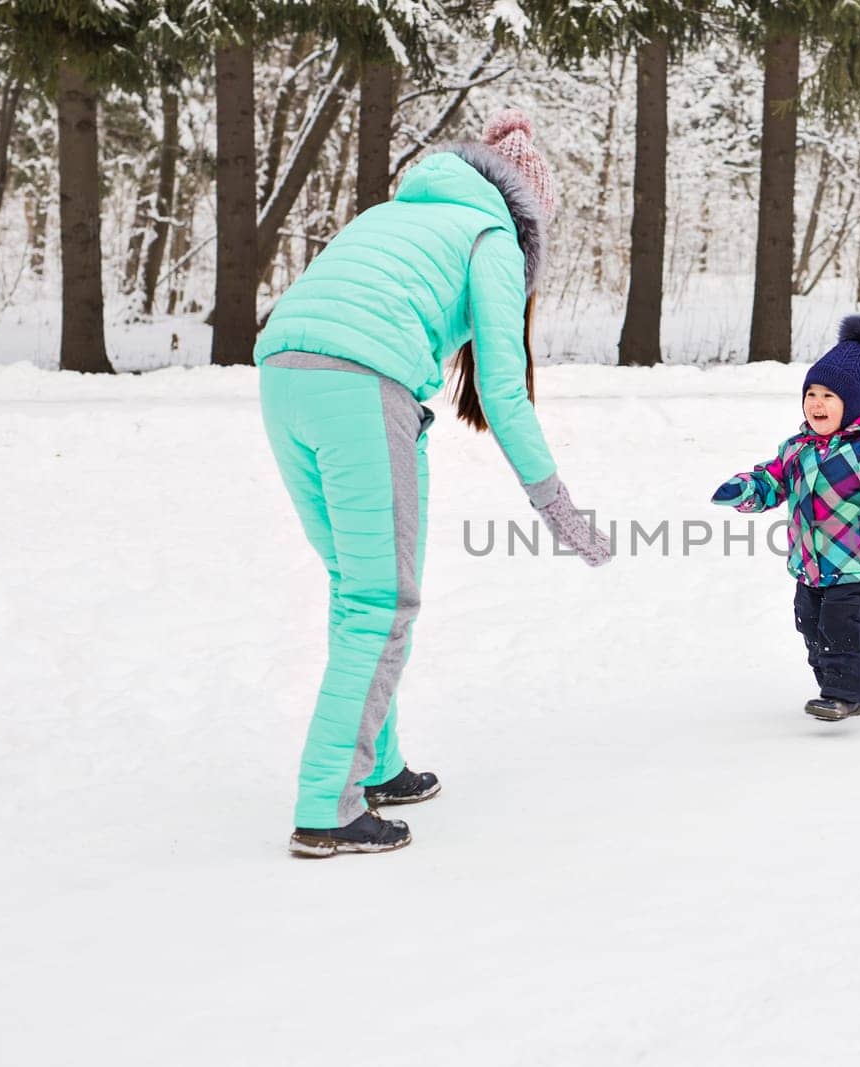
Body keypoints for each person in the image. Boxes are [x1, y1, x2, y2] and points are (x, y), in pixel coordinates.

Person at [255, 109, 611, 858]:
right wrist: (556, 505)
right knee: (380, 598)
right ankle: (329, 802)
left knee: (359, 585)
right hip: (361, 385)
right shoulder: (493, 239)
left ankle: (376, 764)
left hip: (283, 374)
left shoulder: (400, 213)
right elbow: (505, 395)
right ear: (531, 210)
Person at [711, 315, 860, 722]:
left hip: (854, 564)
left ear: (852, 404)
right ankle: (830, 683)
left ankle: (846, 694)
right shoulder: (796, 449)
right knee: (810, 625)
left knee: (840, 626)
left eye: (829, 396)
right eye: (811, 393)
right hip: (810, 564)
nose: (816, 403)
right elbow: (772, 480)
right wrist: (745, 489)